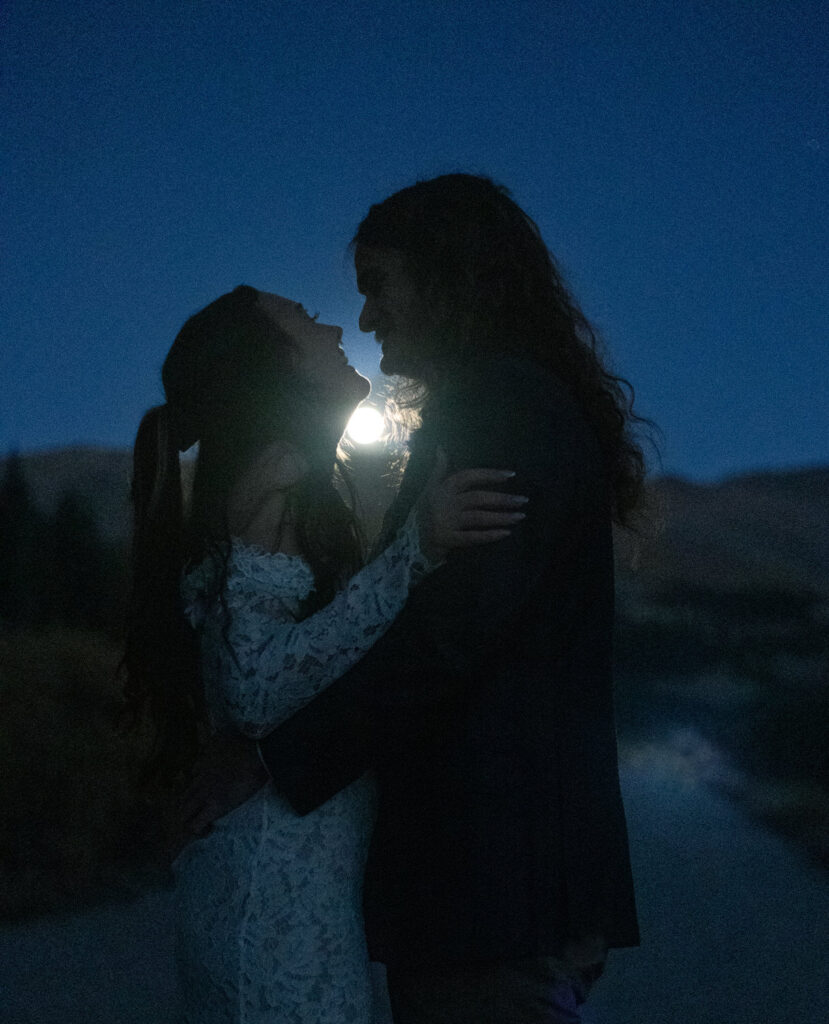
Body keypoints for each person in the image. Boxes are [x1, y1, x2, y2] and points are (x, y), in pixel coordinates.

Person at [182, 174, 649, 1023]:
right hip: (486, 883)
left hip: (496, 882)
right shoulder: (495, 403)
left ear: (449, 278)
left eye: (377, 288)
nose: (363, 320)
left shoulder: (501, 407)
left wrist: (275, 760)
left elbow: (451, 634)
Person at [123, 283, 525, 1023]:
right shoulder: (275, 478)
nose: (336, 325)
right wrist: (416, 551)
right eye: (305, 321)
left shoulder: (302, 480)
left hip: (293, 880)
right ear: (272, 367)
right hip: (271, 886)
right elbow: (254, 688)